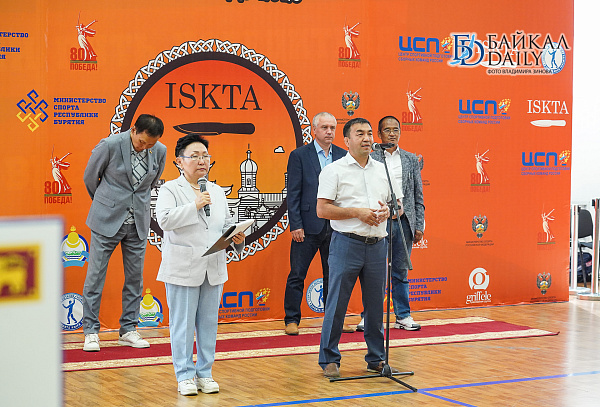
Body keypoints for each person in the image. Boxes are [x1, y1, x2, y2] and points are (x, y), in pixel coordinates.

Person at [156, 134, 245, 396]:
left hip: (213, 266)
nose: (202, 161)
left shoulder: (216, 191)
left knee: (208, 324)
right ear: (179, 161)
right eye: (194, 156)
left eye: (205, 156)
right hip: (182, 267)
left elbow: (225, 223)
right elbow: (164, 220)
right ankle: (184, 375)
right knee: (182, 324)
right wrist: (195, 205)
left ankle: (204, 373)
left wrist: (236, 237)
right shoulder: (170, 189)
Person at [316, 117, 403, 378]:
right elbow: (322, 209)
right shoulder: (334, 170)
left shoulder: (383, 169)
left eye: (369, 133)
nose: (367, 138)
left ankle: (376, 358)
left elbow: (397, 206)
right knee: (337, 304)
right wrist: (357, 212)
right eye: (359, 134)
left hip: (378, 245)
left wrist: (389, 211)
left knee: (376, 306)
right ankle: (329, 359)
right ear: (347, 140)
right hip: (347, 243)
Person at [82, 114, 167, 352]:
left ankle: (128, 329)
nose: (144, 147)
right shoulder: (110, 145)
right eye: (141, 142)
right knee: (95, 277)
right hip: (106, 221)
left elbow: (151, 182)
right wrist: (106, 203)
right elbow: (90, 177)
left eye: (150, 144)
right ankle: (91, 331)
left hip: (137, 222)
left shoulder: (160, 150)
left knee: (135, 279)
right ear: (133, 130)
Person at [283, 112, 348, 336]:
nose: (329, 132)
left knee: (335, 276)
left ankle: (334, 321)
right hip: (307, 226)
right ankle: (292, 319)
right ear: (314, 130)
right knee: (297, 274)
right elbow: (293, 193)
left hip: (336, 226)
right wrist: (295, 225)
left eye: (332, 128)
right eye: (324, 127)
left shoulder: (343, 155)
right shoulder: (299, 155)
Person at [357, 116, 425, 331]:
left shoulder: (410, 159)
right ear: (379, 134)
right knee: (374, 272)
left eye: (396, 130)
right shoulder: (370, 157)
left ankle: (403, 315)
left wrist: (419, 224)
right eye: (387, 130)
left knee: (401, 271)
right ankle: (369, 317)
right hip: (377, 221)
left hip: (403, 223)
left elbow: (418, 194)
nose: (392, 134)